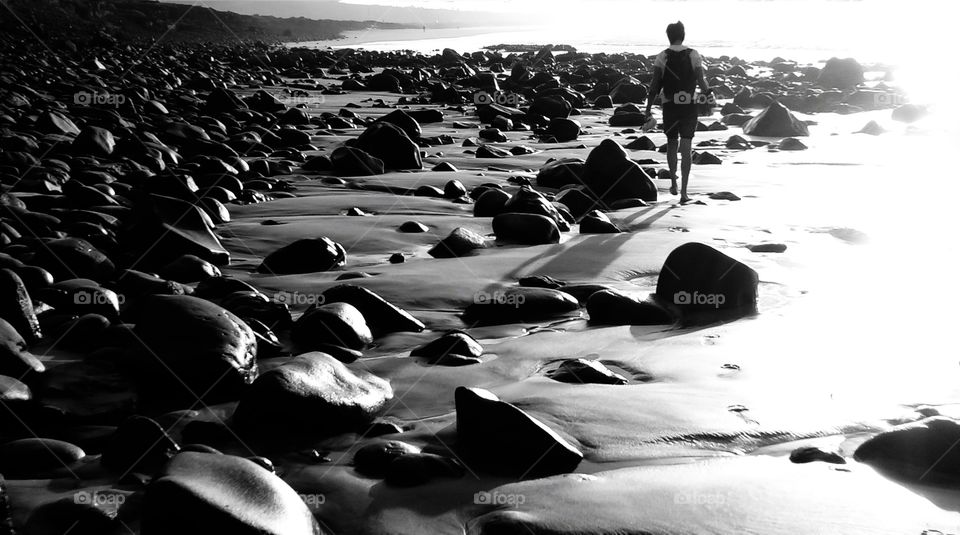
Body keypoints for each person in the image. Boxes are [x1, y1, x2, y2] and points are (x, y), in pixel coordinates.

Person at [645, 21, 713, 204]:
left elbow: (654, 85)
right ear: (683, 35)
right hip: (689, 105)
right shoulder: (693, 54)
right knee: (686, 146)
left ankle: (673, 182)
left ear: (669, 36)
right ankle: (683, 192)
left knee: (672, 144)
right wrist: (708, 97)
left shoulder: (662, 56)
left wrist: (648, 109)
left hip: (669, 106)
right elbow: (701, 80)